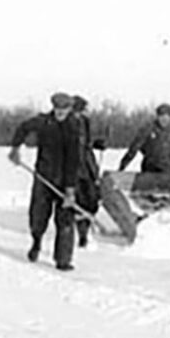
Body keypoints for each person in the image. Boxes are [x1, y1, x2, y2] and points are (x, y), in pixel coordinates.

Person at [7, 92, 80, 270]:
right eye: (57, 108)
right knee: (38, 216)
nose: (60, 112)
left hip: (65, 180)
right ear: (53, 107)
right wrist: (15, 149)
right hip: (43, 176)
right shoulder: (43, 122)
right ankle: (36, 241)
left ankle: (63, 260)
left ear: (70, 109)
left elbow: (74, 159)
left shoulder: (74, 127)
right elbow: (23, 128)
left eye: (64, 109)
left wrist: (70, 189)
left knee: (65, 221)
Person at [72, 94, 104, 248]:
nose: (87, 112)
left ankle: (87, 227)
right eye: (84, 109)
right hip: (73, 169)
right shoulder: (66, 125)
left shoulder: (85, 122)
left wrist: (97, 144)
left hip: (88, 167)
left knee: (92, 200)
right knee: (80, 201)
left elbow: (86, 145)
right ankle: (82, 234)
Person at [119, 103, 170, 173]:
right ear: (158, 117)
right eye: (162, 117)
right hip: (150, 167)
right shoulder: (148, 129)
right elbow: (134, 148)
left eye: (167, 117)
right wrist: (123, 165)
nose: (164, 120)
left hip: (166, 169)